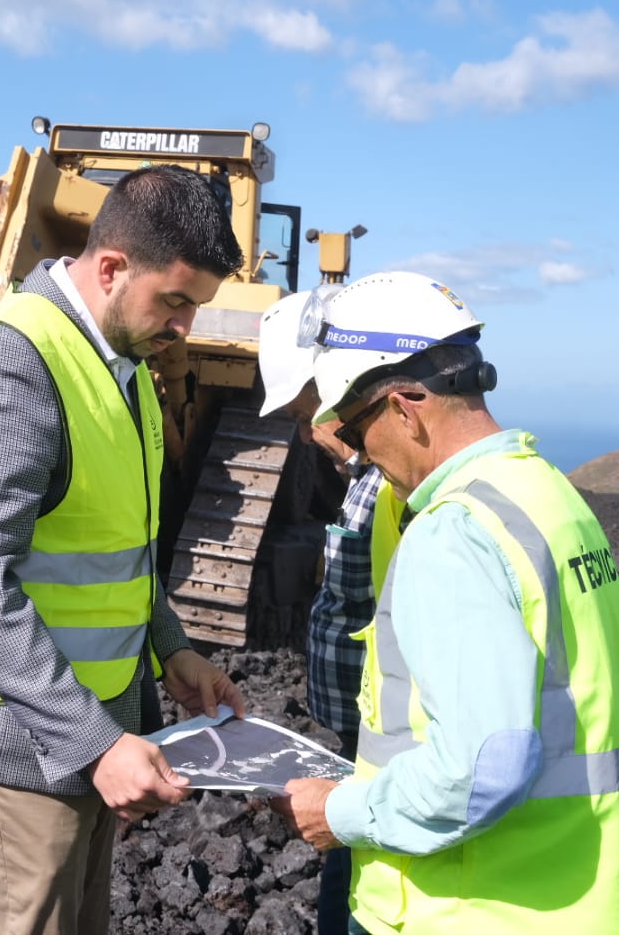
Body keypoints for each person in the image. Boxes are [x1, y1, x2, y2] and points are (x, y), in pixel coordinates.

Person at [0, 163, 248, 935]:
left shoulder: (115, 364)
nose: (186, 326)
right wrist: (96, 745)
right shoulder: (11, 365)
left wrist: (172, 649)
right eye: (178, 301)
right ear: (114, 268)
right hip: (12, 748)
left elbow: (112, 545)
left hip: (77, 735)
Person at [273, 270, 619, 933]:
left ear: (405, 407)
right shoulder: (549, 497)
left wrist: (339, 813)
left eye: (357, 432)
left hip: (475, 906)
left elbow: (483, 769)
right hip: (583, 899)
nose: (359, 456)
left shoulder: (453, 532)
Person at [258, 291, 397, 935]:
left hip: (387, 737)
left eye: (304, 405)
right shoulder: (365, 476)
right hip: (361, 732)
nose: (301, 422)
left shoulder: (394, 489)